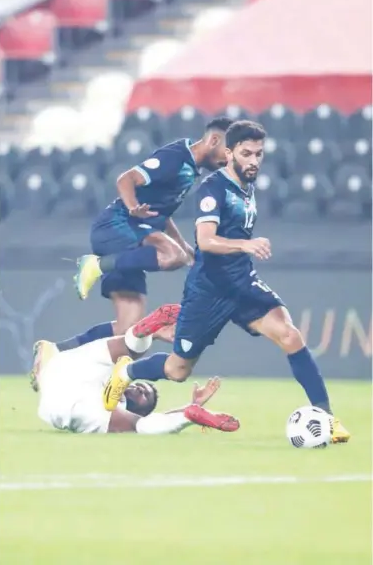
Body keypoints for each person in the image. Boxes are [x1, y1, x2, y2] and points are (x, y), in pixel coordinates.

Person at [100, 120, 350, 444]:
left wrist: (243, 253)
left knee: (290, 335)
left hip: (242, 282)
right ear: (229, 152)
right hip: (208, 289)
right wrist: (245, 244)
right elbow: (205, 241)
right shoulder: (213, 189)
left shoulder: (248, 187)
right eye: (247, 153)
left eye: (260, 154)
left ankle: (327, 419)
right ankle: (127, 372)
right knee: (178, 370)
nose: (255, 161)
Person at [70, 118, 233, 352]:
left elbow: (162, 215)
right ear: (214, 140)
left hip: (132, 236)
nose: (229, 160)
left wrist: (184, 246)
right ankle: (95, 265)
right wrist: (134, 206)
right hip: (116, 225)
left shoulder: (191, 171)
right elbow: (125, 179)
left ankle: (57, 351)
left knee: (130, 331)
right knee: (172, 256)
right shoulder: (176, 157)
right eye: (228, 152)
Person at [36, 334, 239, 435]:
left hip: (65, 404)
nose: (140, 388)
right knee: (104, 356)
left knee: (138, 425)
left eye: (145, 395)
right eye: (142, 386)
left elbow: (152, 419)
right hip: (67, 379)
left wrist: (189, 407)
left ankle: (143, 336)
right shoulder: (110, 379)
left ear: (141, 410)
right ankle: (143, 333)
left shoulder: (119, 410)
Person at [30, 303, 180, 392]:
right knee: (129, 327)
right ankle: (56, 350)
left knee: (130, 329)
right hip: (127, 250)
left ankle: (57, 351)